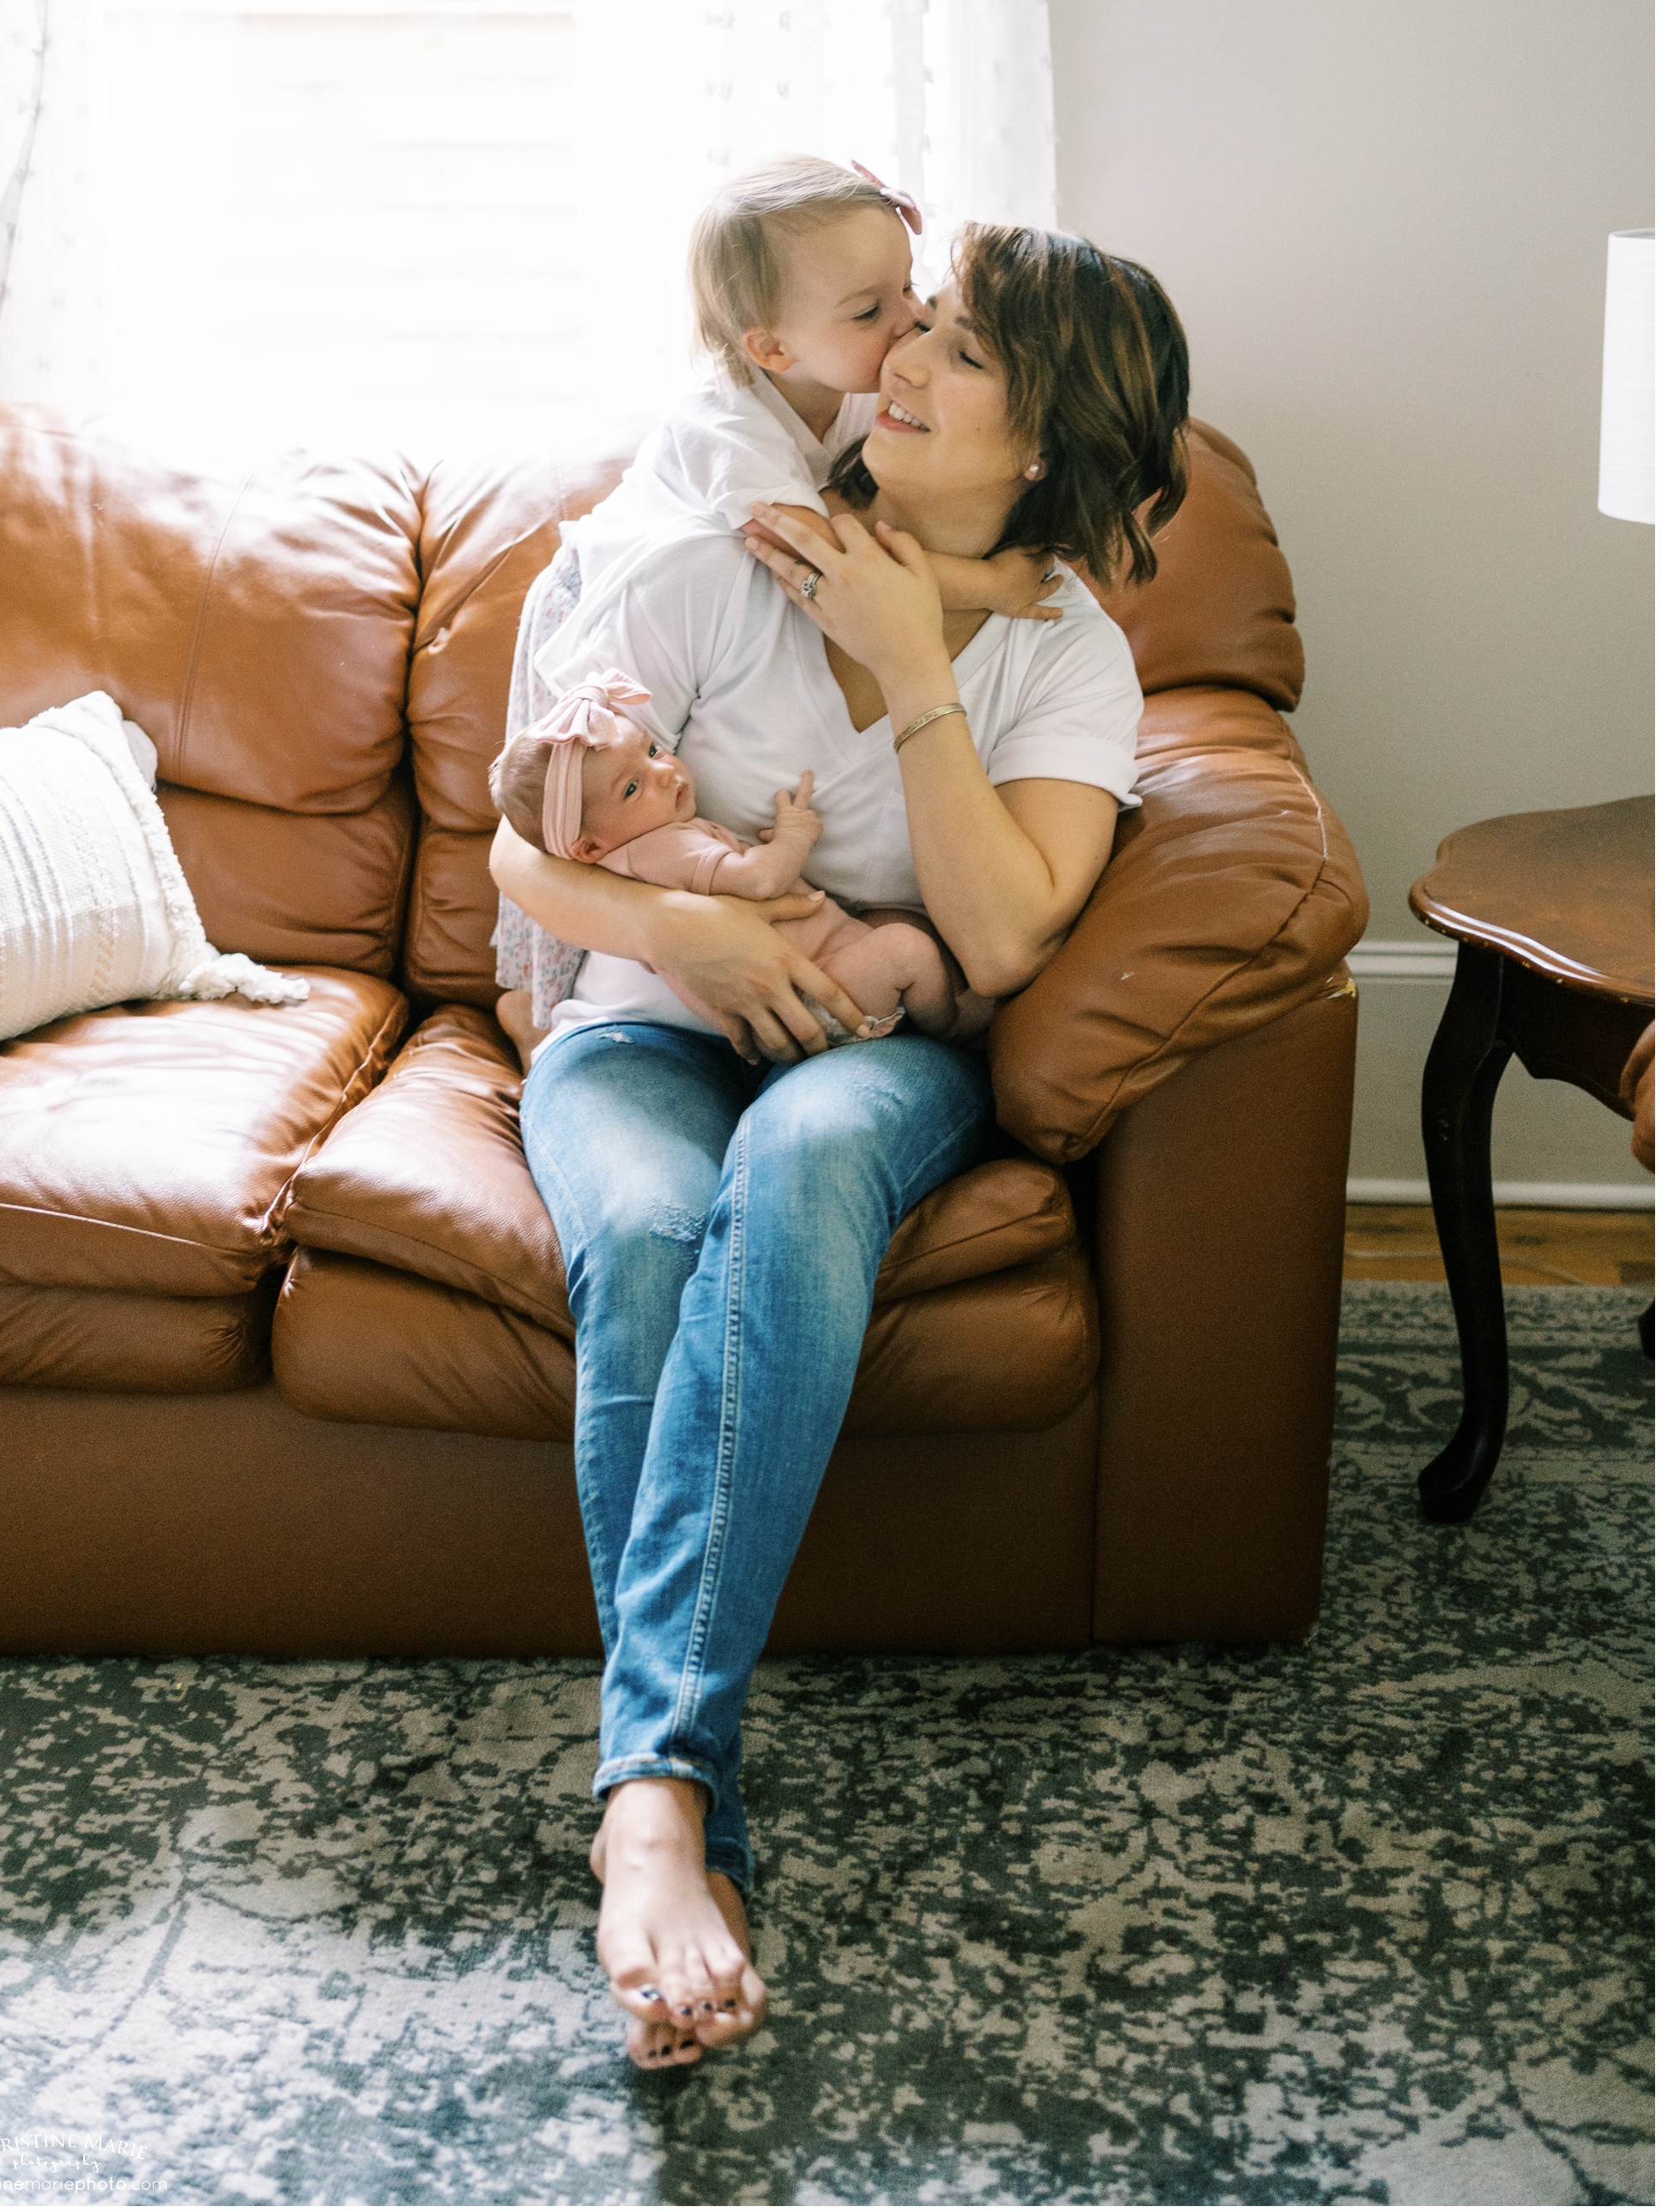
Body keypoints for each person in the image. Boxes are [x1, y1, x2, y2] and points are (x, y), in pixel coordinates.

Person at [490, 221, 1190, 2069]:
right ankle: (668, 1789)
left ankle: (648, 1799)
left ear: (1038, 439)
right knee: (645, 1234)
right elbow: (515, 845)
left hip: (869, 1061)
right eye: (914, 326)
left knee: (794, 1169)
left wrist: (910, 669)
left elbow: (1010, 935)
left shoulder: (1072, 662)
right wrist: (690, 934)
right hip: (642, 1028)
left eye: (956, 352)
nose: (899, 360)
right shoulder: (728, 547)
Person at [496, 154, 1060, 1057]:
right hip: (593, 602)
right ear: (769, 347)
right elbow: (830, 560)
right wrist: (990, 584)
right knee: (575, 817)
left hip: (701, 591)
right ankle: (537, 1007)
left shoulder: (844, 395)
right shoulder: (731, 429)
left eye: (907, 289)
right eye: (870, 311)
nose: (910, 322)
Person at [490, 671, 990, 1042]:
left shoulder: (642, 848)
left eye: (654, 751)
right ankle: (950, 1026)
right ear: (590, 848)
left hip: (800, 983)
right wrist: (793, 836)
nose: (663, 773)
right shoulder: (663, 849)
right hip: (804, 991)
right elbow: (759, 882)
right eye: (632, 787)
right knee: (907, 950)